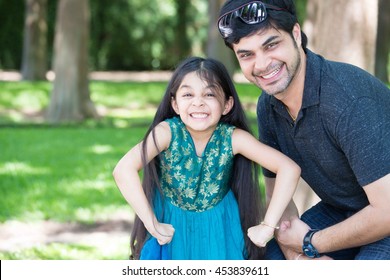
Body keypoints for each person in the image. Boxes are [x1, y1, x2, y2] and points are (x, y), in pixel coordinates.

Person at [217, 0, 390, 260]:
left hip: (385, 212)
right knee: (259, 262)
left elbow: (386, 211)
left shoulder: (347, 101)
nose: (262, 64)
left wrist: (310, 242)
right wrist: (300, 259)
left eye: (271, 45)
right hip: (342, 209)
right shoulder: (268, 105)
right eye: (246, 54)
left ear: (296, 35)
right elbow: (278, 198)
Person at [112, 56, 301, 260]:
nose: (198, 103)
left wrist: (267, 225)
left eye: (209, 94)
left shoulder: (233, 138)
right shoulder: (166, 132)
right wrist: (152, 224)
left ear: (227, 104)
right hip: (171, 227)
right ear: (175, 104)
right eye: (188, 94)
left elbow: (289, 169)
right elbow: (123, 170)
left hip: (220, 229)